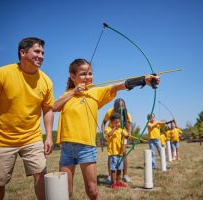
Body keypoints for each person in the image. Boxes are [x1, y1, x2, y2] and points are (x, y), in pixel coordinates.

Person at [53, 58, 160, 199]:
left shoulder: (95, 92)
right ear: (73, 77)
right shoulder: (67, 94)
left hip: (86, 147)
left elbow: (118, 86)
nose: (88, 77)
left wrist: (143, 80)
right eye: (83, 74)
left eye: (90, 73)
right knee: (65, 192)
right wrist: (74, 92)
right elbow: (54, 107)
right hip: (67, 148)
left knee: (92, 191)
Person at [0, 37, 54, 200]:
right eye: (37, 51)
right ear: (23, 52)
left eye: (43, 53)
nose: (41, 56)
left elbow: (48, 110)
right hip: (3, 139)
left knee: (41, 174)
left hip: (32, 137)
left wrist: (48, 136)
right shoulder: (2, 73)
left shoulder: (46, 81)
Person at [102, 98, 132, 184]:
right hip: (112, 134)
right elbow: (104, 122)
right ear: (115, 106)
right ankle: (109, 176)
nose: (121, 108)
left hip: (122, 134)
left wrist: (129, 133)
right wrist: (104, 133)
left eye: (123, 106)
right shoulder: (109, 112)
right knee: (112, 155)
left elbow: (129, 125)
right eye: (119, 106)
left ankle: (125, 175)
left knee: (123, 153)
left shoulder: (127, 114)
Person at [104, 113, 129, 189]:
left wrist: (127, 132)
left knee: (119, 168)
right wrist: (114, 128)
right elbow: (108, 135)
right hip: (113, 153)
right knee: (113, 169)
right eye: (116, 122)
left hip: (120, 153)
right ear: (111, 122)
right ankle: (113, 183)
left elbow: (127, 136)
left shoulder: (121, 130)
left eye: (119, 122)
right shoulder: (108, 129)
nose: (118, 124)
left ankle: (119, 181)